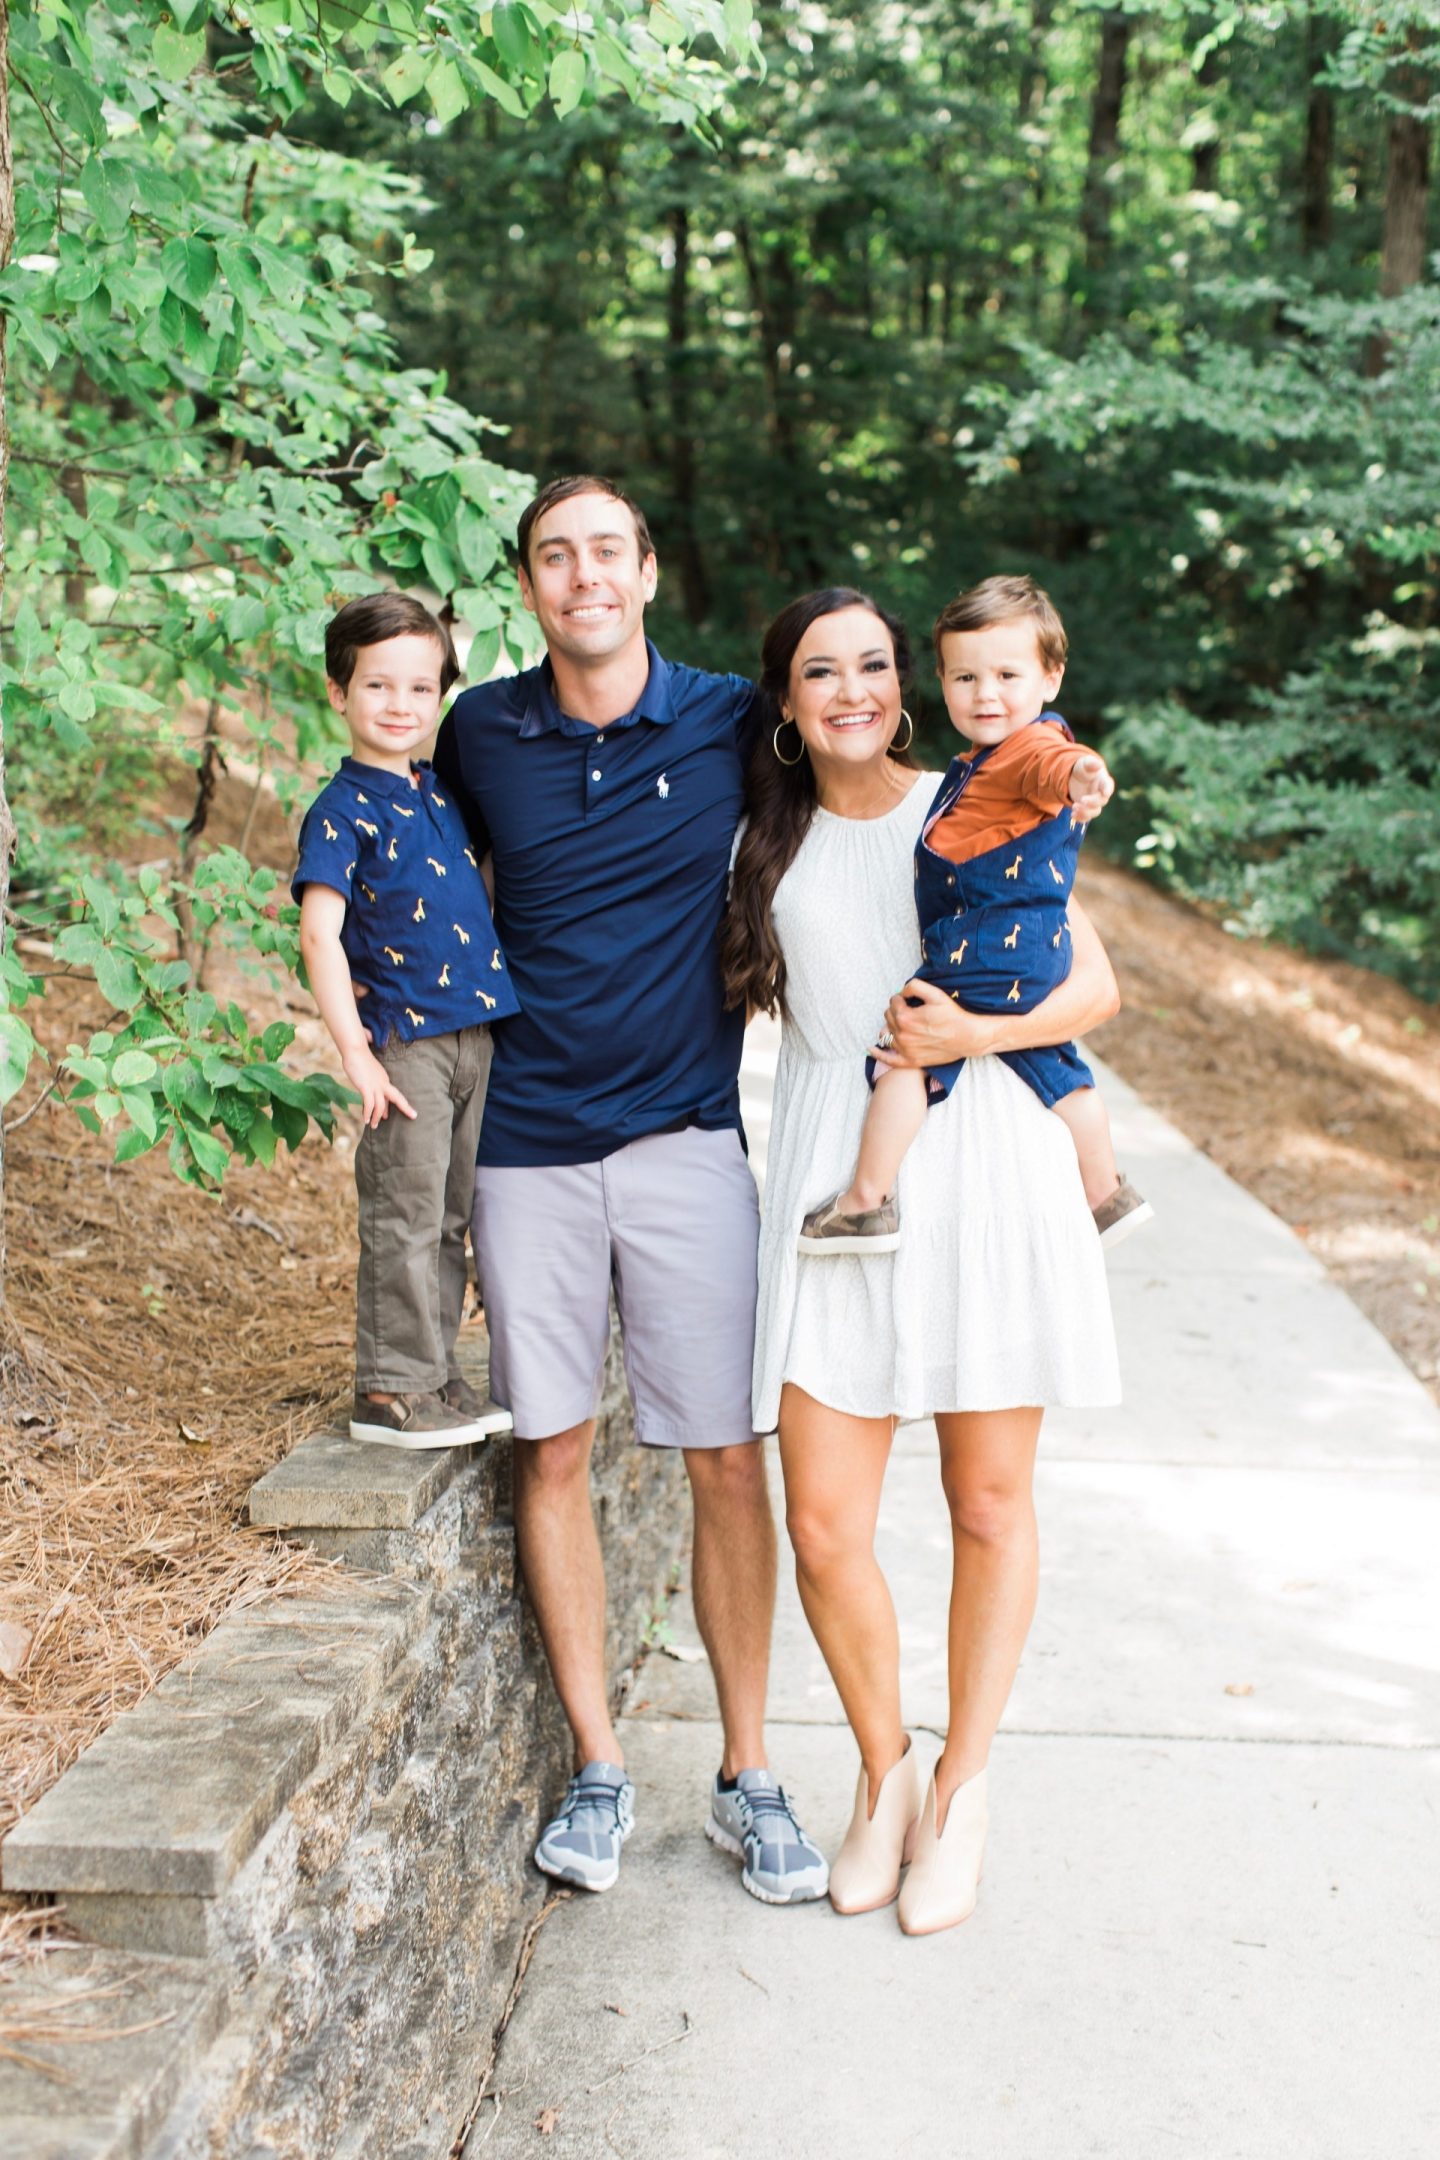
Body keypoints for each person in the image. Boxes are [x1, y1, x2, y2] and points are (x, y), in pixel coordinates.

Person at [432, 476, 828, 1904]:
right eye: (556, 556)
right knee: (551, 1449)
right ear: (530, 585)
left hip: (682, 1141)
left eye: (608, 550)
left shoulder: (731, 716)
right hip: (525, 1146)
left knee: (726, 1455)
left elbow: (875, 761)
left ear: (649, 570)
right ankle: (600, 1766)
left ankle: (747, 1772)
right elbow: (390, 838)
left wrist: (1042, 770)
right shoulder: (483, 730)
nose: (583, 575)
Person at [721, 586, 1122, 1936]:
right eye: (819, 671)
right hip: (841, 1155)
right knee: (823, 1522)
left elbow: (1094, 990)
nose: (851, 689)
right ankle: (882, 1772)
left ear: (908, 687)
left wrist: (968, 1043)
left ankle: (963, 1791)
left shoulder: (974, 798)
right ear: (784, 700)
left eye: (874, 666)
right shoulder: (755, 842)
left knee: (988, 1502)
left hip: (983, 1147)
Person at [797, 574, 1151, 1257]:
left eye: (1007, 675)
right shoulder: (979, 761)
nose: (985, 694)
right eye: (964, 678)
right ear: (941, 679)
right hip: (1027, 949)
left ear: (1051, 677)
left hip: (991, 945)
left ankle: (866, 1200)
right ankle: (1105, 1189)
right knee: (1053, 1062)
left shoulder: (1029, 749)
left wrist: (1086, 779)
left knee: (908, 1046)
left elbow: (1061, 765)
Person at [295, 593, 521, 1448]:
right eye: (378, 685)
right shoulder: (341, 810)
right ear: (338, 693)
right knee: (405, 1210)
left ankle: (434, 1373)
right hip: (406, 1043)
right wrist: (355, 1053)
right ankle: (389, 1387)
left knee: (451, 1213)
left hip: (476, 1036)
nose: (400, 706)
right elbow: (319, 931)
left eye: (420, 689)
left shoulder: (438, 796)